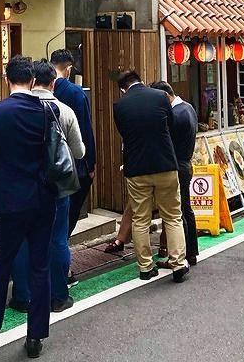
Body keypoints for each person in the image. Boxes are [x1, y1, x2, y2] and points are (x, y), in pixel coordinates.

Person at [0, 56, 57, 359]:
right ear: (34, 82)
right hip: (43, 198)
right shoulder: (47, 111)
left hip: (10, 200)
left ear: (8, 79)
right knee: (40, 265)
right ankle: (35, 336)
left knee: (2, 263)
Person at [10, 60, 85, 314]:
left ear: (32, 82)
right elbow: (79, 151)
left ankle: (22, 296)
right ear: (53, 82)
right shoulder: (64, 110)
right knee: (57, 240)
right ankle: (58, 296)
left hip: (24, 187)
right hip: (57, 188)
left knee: (22, 241)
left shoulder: (15, 110)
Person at [112, 70, 188, 283]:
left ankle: (145, 267)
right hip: (165, 164)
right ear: (141, 81)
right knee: (172, 216)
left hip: (137, 169)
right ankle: (178, 264)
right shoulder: (159, 97)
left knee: (140, 219)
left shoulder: (120, 106)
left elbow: (125, 134)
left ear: (123, 89)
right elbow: (171, 126)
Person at [49, 49, 96, 286]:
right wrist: (90, 164)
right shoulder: (75, 94)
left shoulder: (33, 91)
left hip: (43, 169)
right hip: (72, 165)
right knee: (65, 222)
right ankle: (62, 273)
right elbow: (85, 131)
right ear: (68, 68)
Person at [150, 81, 199, 267]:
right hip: (186, 163)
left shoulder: (175, 115)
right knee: (186, 209)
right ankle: (191, 253)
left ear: (164, 96)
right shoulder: (188, 108)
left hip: (176, 165)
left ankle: (182, 255)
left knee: (177, 214)